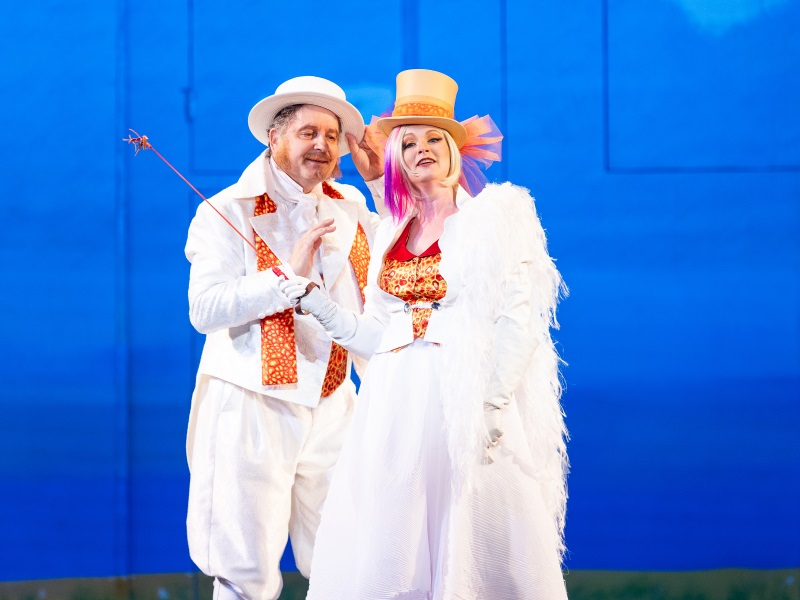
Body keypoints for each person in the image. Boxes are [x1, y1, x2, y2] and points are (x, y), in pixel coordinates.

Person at [280, 69, 569, 599]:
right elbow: (375, 334)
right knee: (393, 538)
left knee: (473, 529)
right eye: (408, 142)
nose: (421, 150)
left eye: (434, 138)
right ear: (396, 157)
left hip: (461, 395)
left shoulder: (496, 216)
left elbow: (518, 317)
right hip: (394, 403)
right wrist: (312, 299)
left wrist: (492, 404)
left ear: (454, 149)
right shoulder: (392, 231)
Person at [184, 75, 384, 600]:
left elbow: (399, 260)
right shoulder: (226, 210)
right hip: (253, 404)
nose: (322, 145)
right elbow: (204, 309)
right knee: (245, 569)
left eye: (331, 135)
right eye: (307, 132)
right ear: (274, 138)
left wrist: (379, 184)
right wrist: (283, 278)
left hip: (334, 400)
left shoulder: (350, 206)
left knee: (347, 559)